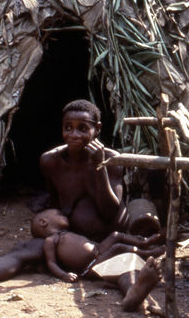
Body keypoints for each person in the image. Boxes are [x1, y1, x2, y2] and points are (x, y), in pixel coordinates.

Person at [0, 209, 164, 311]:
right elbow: (51, 260)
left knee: (126, 262)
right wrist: (59, 272)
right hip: (89, 260)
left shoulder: (104, 159)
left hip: (100, 249)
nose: (63, 214)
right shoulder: (52, 239)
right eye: (58, 213)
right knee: (122, 258)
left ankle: (134, 292)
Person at [37, 99, 129, 242]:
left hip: (110, 238)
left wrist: (100, 166)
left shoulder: (112, 160)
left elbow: (109, 213)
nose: (74, 134)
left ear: (97, 129)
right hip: (74, 242)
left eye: (82, 128)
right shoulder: (50, 161)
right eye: (68, 128)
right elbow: (54, 204)